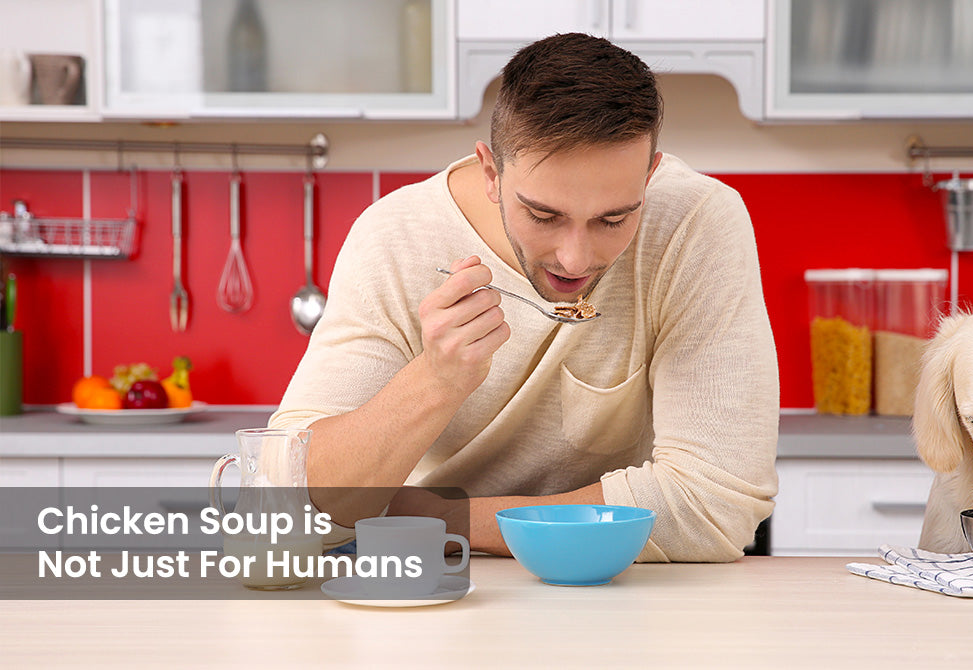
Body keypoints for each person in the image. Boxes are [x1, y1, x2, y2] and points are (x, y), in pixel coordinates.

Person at [269, 32, 778, 562]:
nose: (576, 260)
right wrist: (436, 380)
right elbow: (288, 502)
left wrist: (445, 517)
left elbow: (715, 503)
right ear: (492, 173)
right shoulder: (395, 237)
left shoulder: (696, 224)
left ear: (649, 177)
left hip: (619, 588)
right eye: (543, 216)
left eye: (614, 218)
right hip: (431, 587)